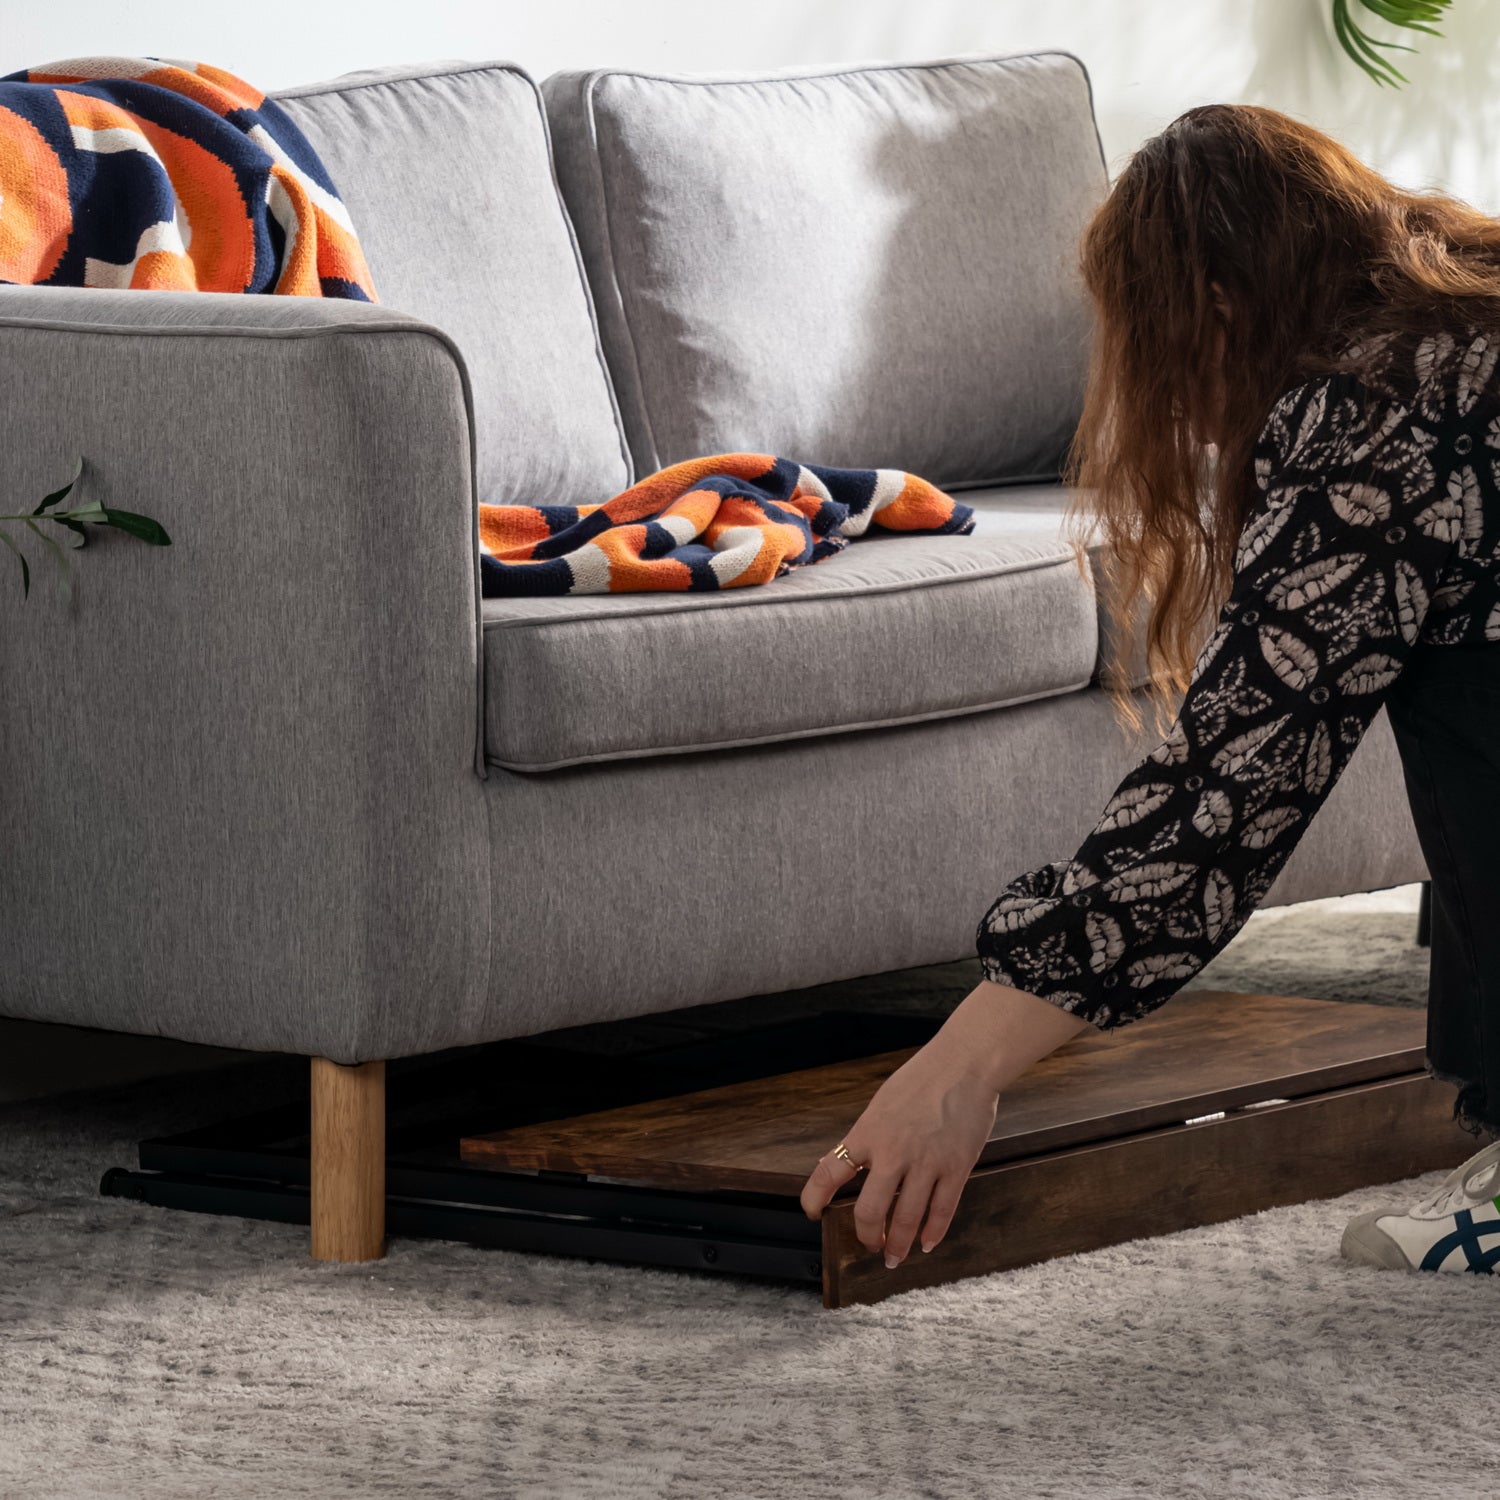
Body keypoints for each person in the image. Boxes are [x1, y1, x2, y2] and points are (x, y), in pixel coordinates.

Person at [799, 103, 1500, 1277]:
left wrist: (954, 1070)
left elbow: (1227, 793)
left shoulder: (1379, 408)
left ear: (1218, 306)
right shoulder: (1469, 317)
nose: (1173, 400)